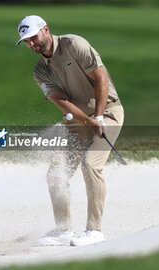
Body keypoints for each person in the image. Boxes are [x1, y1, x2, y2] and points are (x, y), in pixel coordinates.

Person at [16, 15, 124, 246]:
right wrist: (87, 121)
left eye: (33, 37)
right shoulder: (40, 71)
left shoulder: (74, 44)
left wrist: (98, 116)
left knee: (90, 164)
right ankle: (63, 230)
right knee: (57, 172)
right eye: (26, 41)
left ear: (46, 29)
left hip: (109, 113)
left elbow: (101, 78)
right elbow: (61, 101)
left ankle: (95, 231)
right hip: (79, 122)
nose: (31, 44)